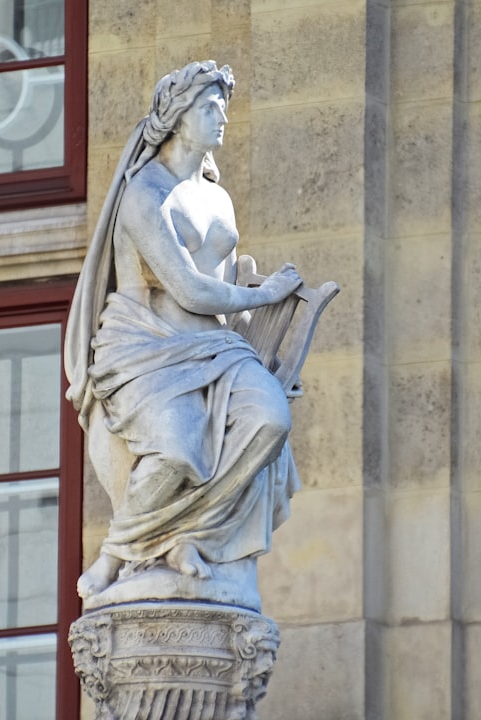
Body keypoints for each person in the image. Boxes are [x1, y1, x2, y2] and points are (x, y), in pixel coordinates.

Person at [65, 61, 303, 600]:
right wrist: (267, 294)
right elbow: (190, 289)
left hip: (218, 345)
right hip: (147, 343)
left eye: (223, 104)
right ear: (176, 118)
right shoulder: (144, 194)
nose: (221, 116)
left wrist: (261, 345)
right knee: (176, 449)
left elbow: (223, 289)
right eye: (207, 106)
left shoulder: (218, 199)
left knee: (269, 421)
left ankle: (191, 532)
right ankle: (118, 550)